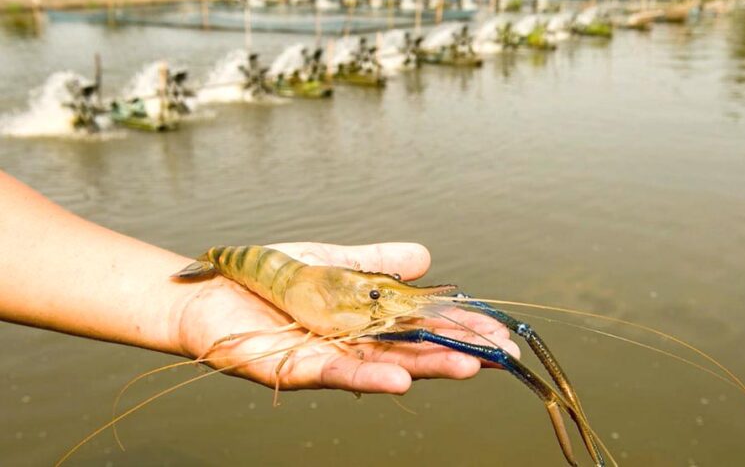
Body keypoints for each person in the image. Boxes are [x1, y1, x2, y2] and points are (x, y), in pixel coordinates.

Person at [0, 171, 517, 395]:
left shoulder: (359, 294)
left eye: (374, 290)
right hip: (231, 261)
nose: (381, 300)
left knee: (455, 322)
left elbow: (386, 299)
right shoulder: (265, 276)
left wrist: (391, 299)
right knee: (428, 336)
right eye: (376, 292)